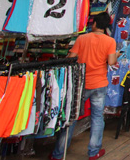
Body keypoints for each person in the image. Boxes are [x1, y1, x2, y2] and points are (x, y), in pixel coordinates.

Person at [50, 12, 118, 160]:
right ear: (106, 26)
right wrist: (115, 55)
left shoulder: (82, 38)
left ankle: (58, 153)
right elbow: (112, 62)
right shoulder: (110, 41)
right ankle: (93, 152)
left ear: (94, 24)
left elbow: (70, 58)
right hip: (100, 84)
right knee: (97, 117)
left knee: (71, 117)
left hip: (81, 84)